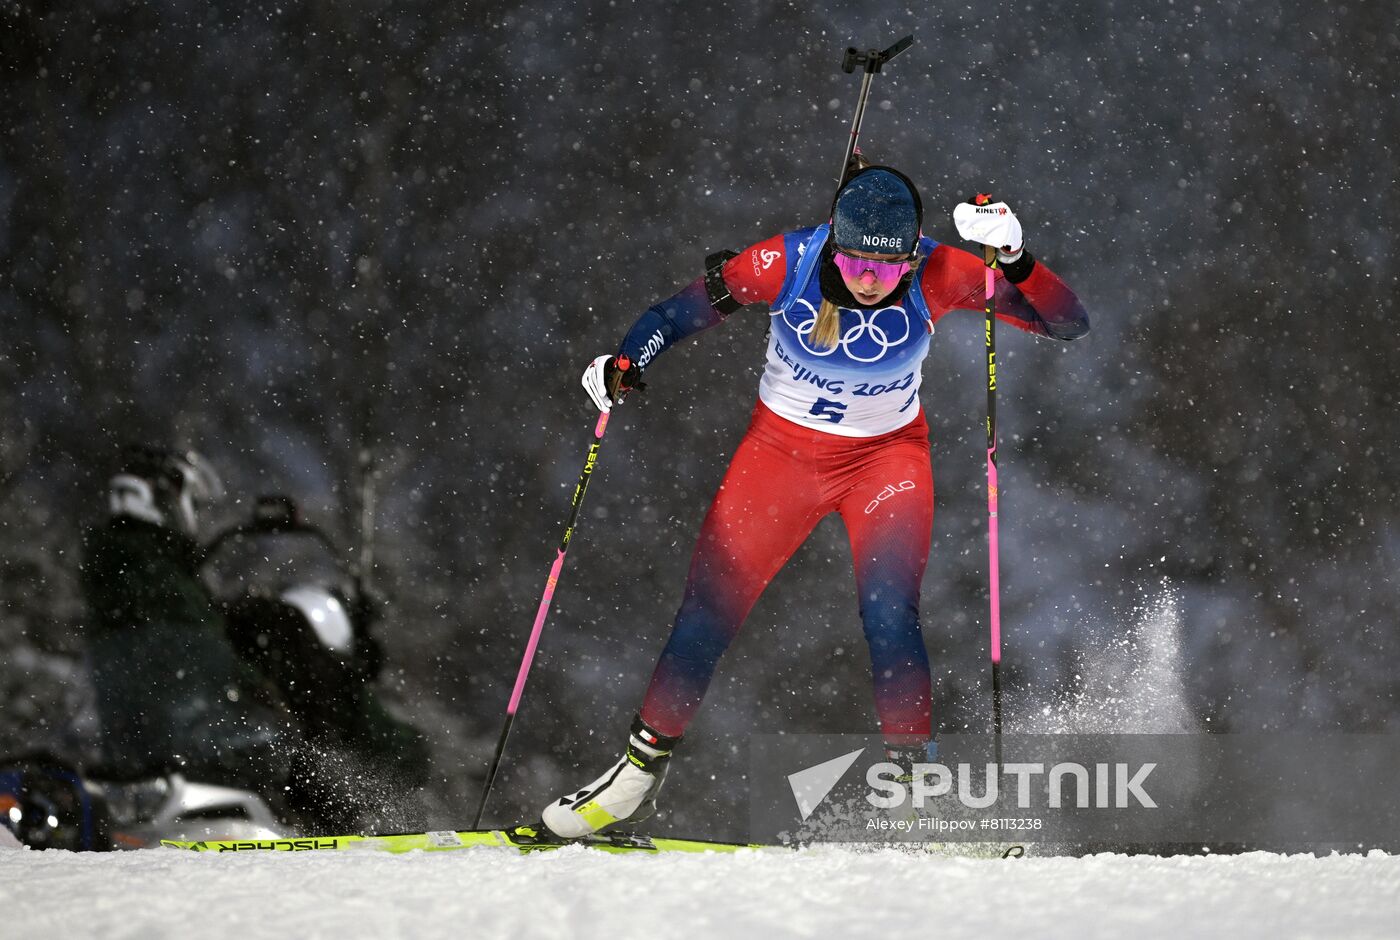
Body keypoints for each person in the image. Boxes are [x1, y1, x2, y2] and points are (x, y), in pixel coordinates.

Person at [540, 164, 1089, 838]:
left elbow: (1067, 323)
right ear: (833, 241)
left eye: (887, 269)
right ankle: (633, 780)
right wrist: (626, 362)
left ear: (912, 255)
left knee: (890, 613)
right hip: (780, 458)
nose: (869, 282)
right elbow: (677, 313)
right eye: (856, 263)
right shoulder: (786, 261)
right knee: (709, 610)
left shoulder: (941, 271)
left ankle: (915, 797)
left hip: (885, 462)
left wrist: (1014, 255)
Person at [79, 445, 292, 790]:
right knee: (287, 754)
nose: (193, 516)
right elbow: (201, 647)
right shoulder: (153, 566)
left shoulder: (118, 561)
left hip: (140, 744)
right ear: (162, 499)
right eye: (191, 504)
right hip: (186, 742)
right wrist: (260, 687)